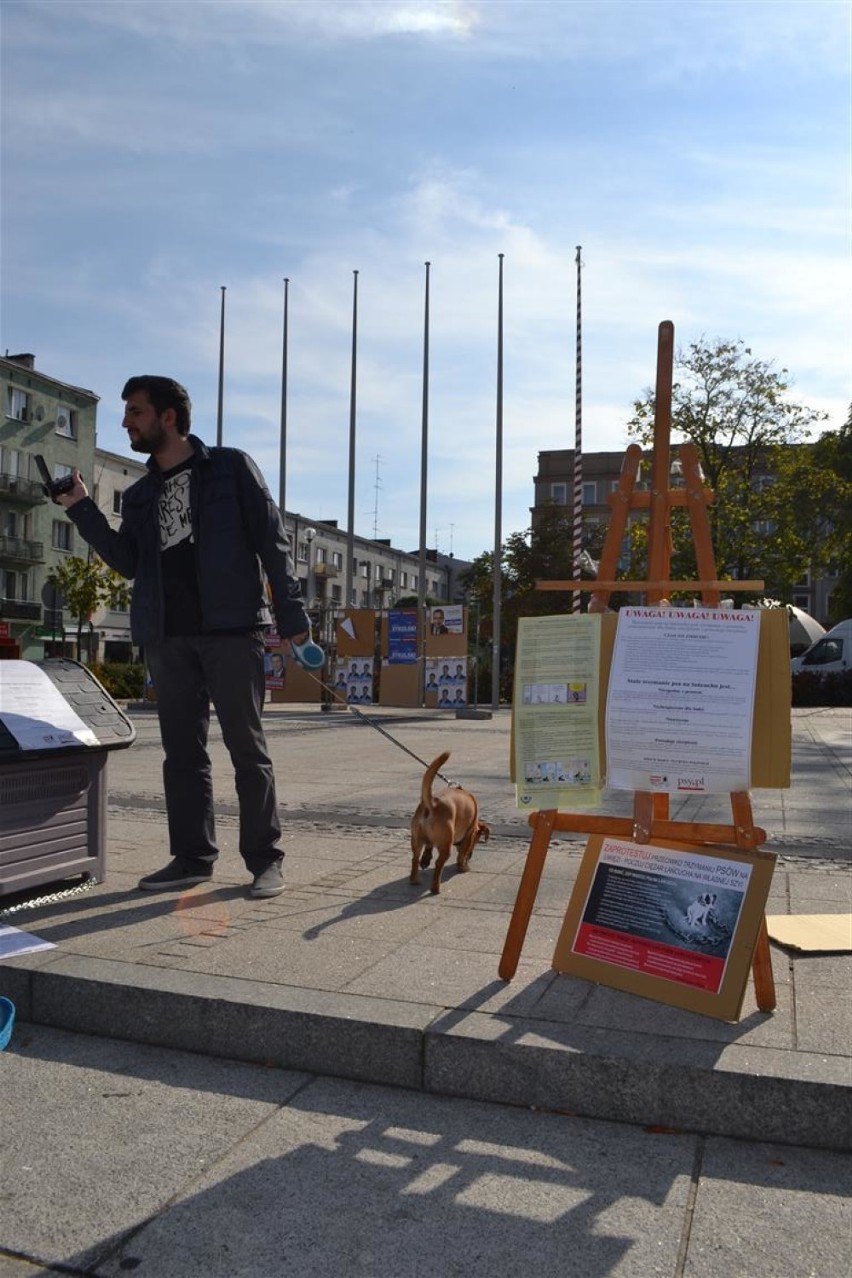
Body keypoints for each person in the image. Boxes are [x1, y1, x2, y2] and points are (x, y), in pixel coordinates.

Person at [55, 375, 310, 900]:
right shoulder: (143, 493)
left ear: (167, 417)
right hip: (168, 636)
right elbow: (127, 561)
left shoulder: (231, 468)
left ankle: (265, 860)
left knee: (248, 750)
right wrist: (81, 508)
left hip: (231, 630)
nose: (127, 421)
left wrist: (291, 614)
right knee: (182, 754)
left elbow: (272, 541)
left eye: (135, 411)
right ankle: (193, 857)